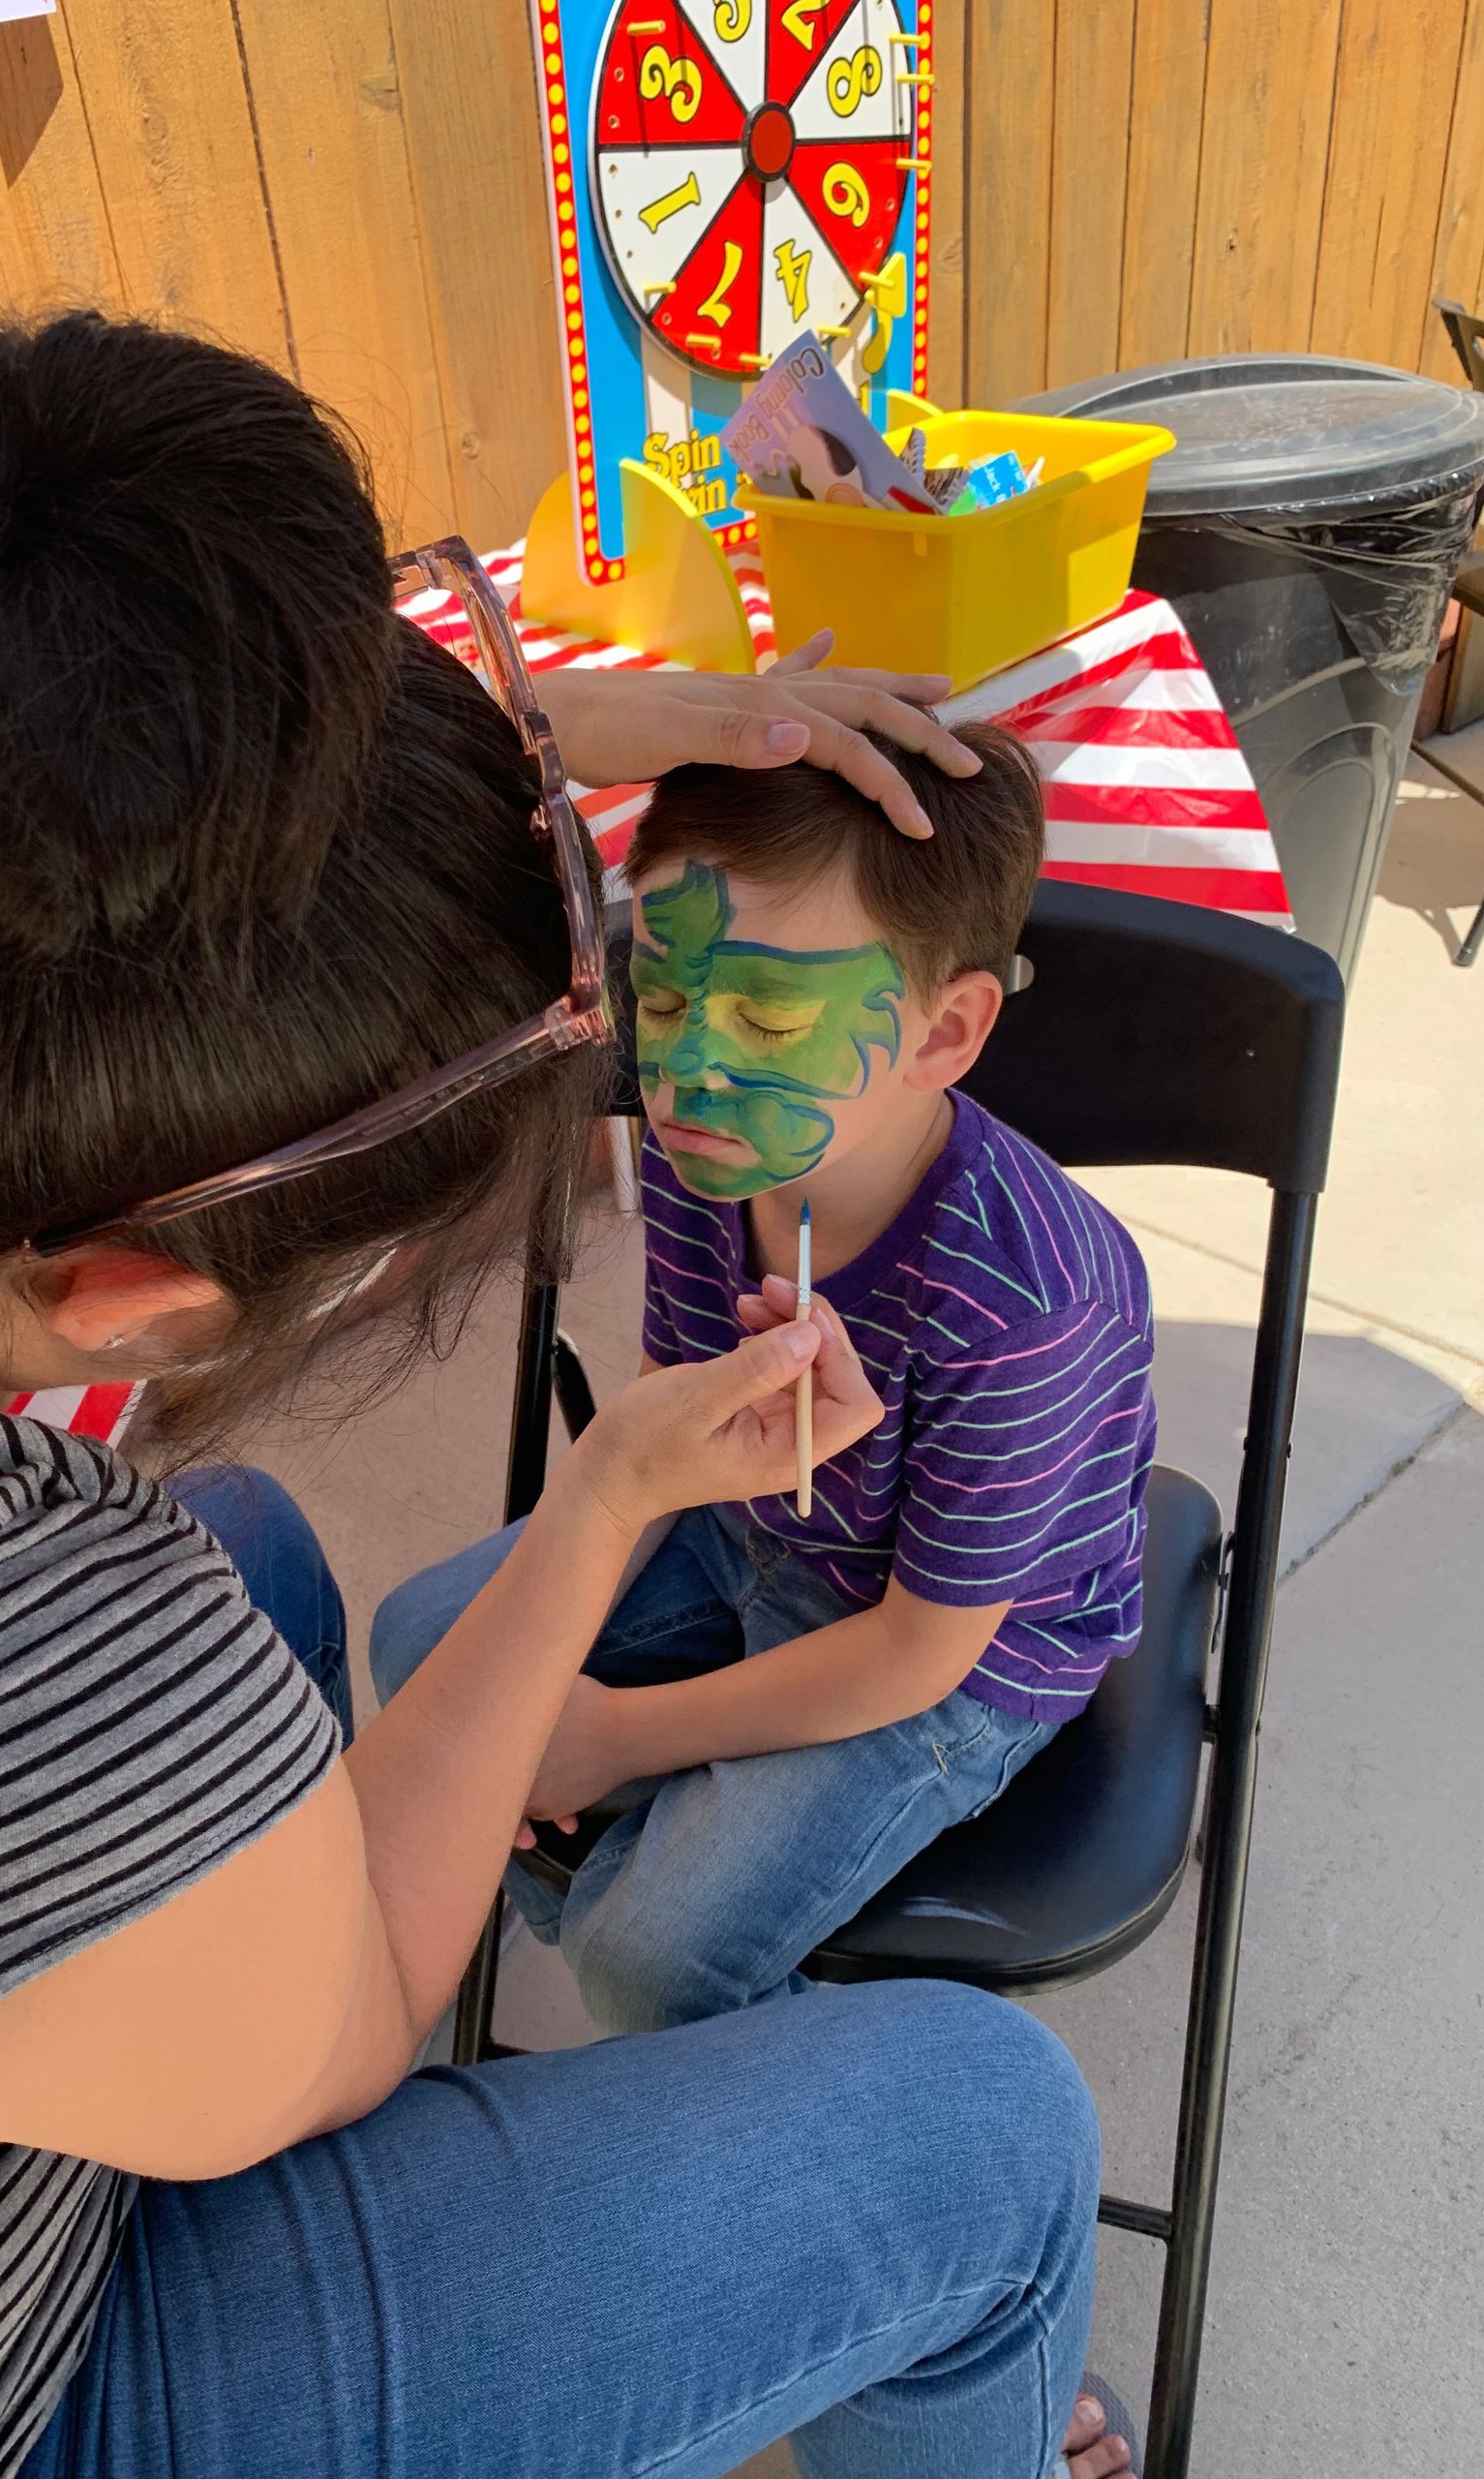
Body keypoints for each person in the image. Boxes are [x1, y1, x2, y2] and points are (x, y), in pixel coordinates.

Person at [0, 312, 1135, 2479]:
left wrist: (635, 727)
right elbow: (353, 2017)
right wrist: (603, 1517)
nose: (692, 1084)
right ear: (144, 1296)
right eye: (670, 1013)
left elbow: (943, 1634)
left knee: (271, 1555)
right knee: (982, 2124)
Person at [372, 735, 1156, 2037]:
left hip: (947, 1657)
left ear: (945, 1031)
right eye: (663, 1001)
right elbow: (660, 1442)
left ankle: (691, 1966)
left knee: (644, 1959)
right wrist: (524, 1693)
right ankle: (647, 1879)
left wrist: (611, 1737)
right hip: (738, 1535)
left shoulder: (1029, 1300)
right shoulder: (712, 1158)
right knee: (428, 1659)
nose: (683, 1074)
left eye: (772, 1021)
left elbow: (918, 1652)